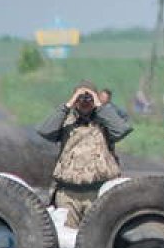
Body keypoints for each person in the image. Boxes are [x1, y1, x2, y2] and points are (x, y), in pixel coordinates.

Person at [37, 80, 133, 227]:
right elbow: (45, 131)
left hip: (98, 192)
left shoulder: (105, 121)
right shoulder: (65, 121)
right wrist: (68, 105)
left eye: (89, 98)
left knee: (96, 236)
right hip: (67, 193)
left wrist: (99, 105)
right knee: (66, 239)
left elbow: (122, 130)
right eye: (81, 98)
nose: (85, 101)